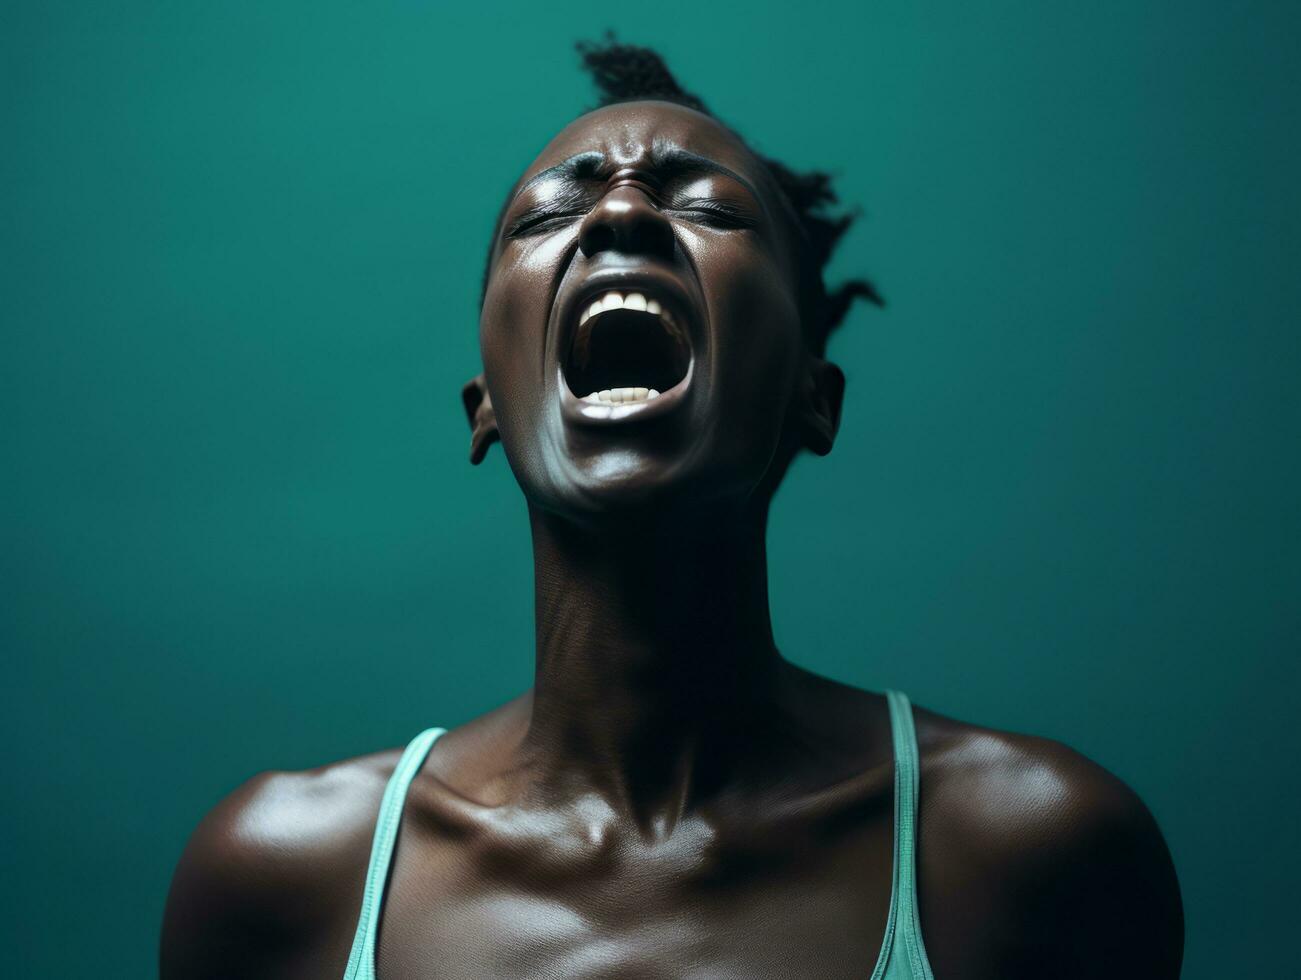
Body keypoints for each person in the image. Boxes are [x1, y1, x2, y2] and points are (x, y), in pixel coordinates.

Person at [161, 39, 1183, 979]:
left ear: (810, 398)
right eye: (549, 212)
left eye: (708, 207)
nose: (618, 213)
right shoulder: (284, 884)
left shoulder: (1031, 856)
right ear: (484, 406)